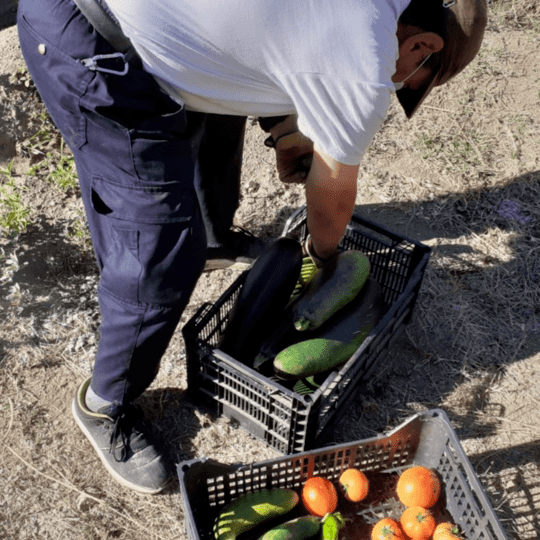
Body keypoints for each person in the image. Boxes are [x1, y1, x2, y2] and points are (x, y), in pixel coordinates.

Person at [17, 0, 487, 494]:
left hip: (130, 20)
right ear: (422, 45)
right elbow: (331, 194)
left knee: (218, 107)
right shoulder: (368, 51)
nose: (394, 88)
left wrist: (286, 130)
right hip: (92, 45)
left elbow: (256, 38)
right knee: (158, 251)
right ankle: (104, 403)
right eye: (409, 81)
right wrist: (323, 258)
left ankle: (214, 240)